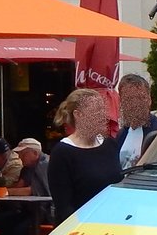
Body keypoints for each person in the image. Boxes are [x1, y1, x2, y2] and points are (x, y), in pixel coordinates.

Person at [48, 88, 123, 225]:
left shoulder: (110, 144)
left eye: (103, 111)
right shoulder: (62, 153)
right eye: (96, 112)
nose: (104, 117)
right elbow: (64, 206)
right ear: (78, 115)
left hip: (114, 227)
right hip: (82, 233)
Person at [0, 138, 52, 235]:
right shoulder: (28, 168)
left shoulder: (44, 164)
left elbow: (31, 191)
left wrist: (4, 192)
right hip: (29, 211)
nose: (19, 156)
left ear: (35, 153)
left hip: (45, 213)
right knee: (0, 221)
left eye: (23, 153)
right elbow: (20, 186)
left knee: (18, 231)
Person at [116, 74, 157, 170]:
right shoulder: (121, 134)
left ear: (149, 100)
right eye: (129, 99)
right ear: (121, 103)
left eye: (140, 98)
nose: (135, 105)